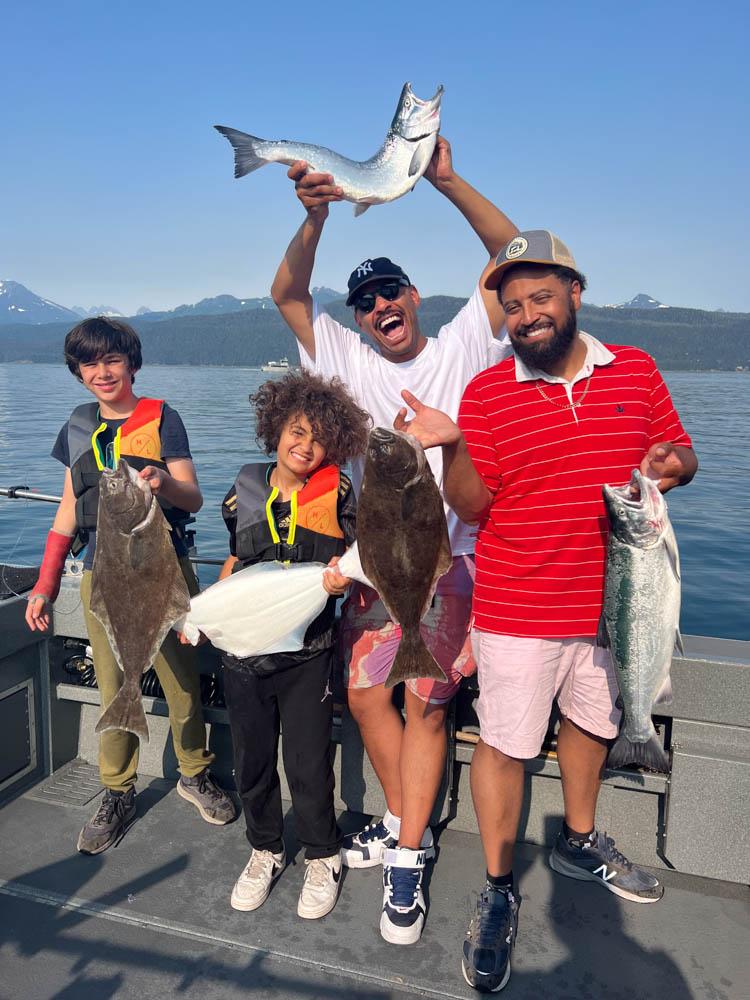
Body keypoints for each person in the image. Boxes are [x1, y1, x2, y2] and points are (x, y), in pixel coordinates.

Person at [393, 230, 698, 992]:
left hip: (616, 610)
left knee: (596, 726)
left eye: (541, 297)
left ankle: (580, 839)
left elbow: (682, 454)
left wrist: (670, 467)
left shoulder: (636, 369)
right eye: (512, 303)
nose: (527, 314)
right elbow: (470, 503)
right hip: (517, 604)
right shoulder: (489, 392)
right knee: (505, 744)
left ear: (575, 294)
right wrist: (453, 443)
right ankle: (498, 887)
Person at [271, 137, 518, 945]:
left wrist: (443, 181)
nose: (381, 307)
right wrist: (315, 221)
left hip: (449, 573)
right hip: (378, 572)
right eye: (368, 300)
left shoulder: (463, 347)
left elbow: (510, 254)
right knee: (370, 694)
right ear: (360, 318)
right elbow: (287, 293)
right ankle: (406, 817)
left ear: (414, 297)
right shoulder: (344, 361)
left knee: (425, 702)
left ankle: (407, 853)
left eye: (391, 293)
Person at [25, 317, 236, 854]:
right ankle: (118, 789)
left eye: (112, 360)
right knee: (114, 685)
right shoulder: (77, 425)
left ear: (132, 363)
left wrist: (166, 483)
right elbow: (68, 513)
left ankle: (193, 773)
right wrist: (44, 586)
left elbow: (194, 498)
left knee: (183, 683)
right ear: (77, 372)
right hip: (102, 574)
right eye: (90, 363)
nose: (102, 371)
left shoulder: (163, 418)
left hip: (163, 569)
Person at [213, 370, 370, 920]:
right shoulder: (242, 488)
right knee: (252, 761)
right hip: (245, 652)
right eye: (296, 432)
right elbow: (236, 561)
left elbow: (353, 562)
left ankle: (323, 855)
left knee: (308, 762)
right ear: (275, 428)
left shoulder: (343, 493)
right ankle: (265, 848)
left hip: (309, 650)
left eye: (319, 438)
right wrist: (209, 611)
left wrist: (340, 580)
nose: (305, 447)